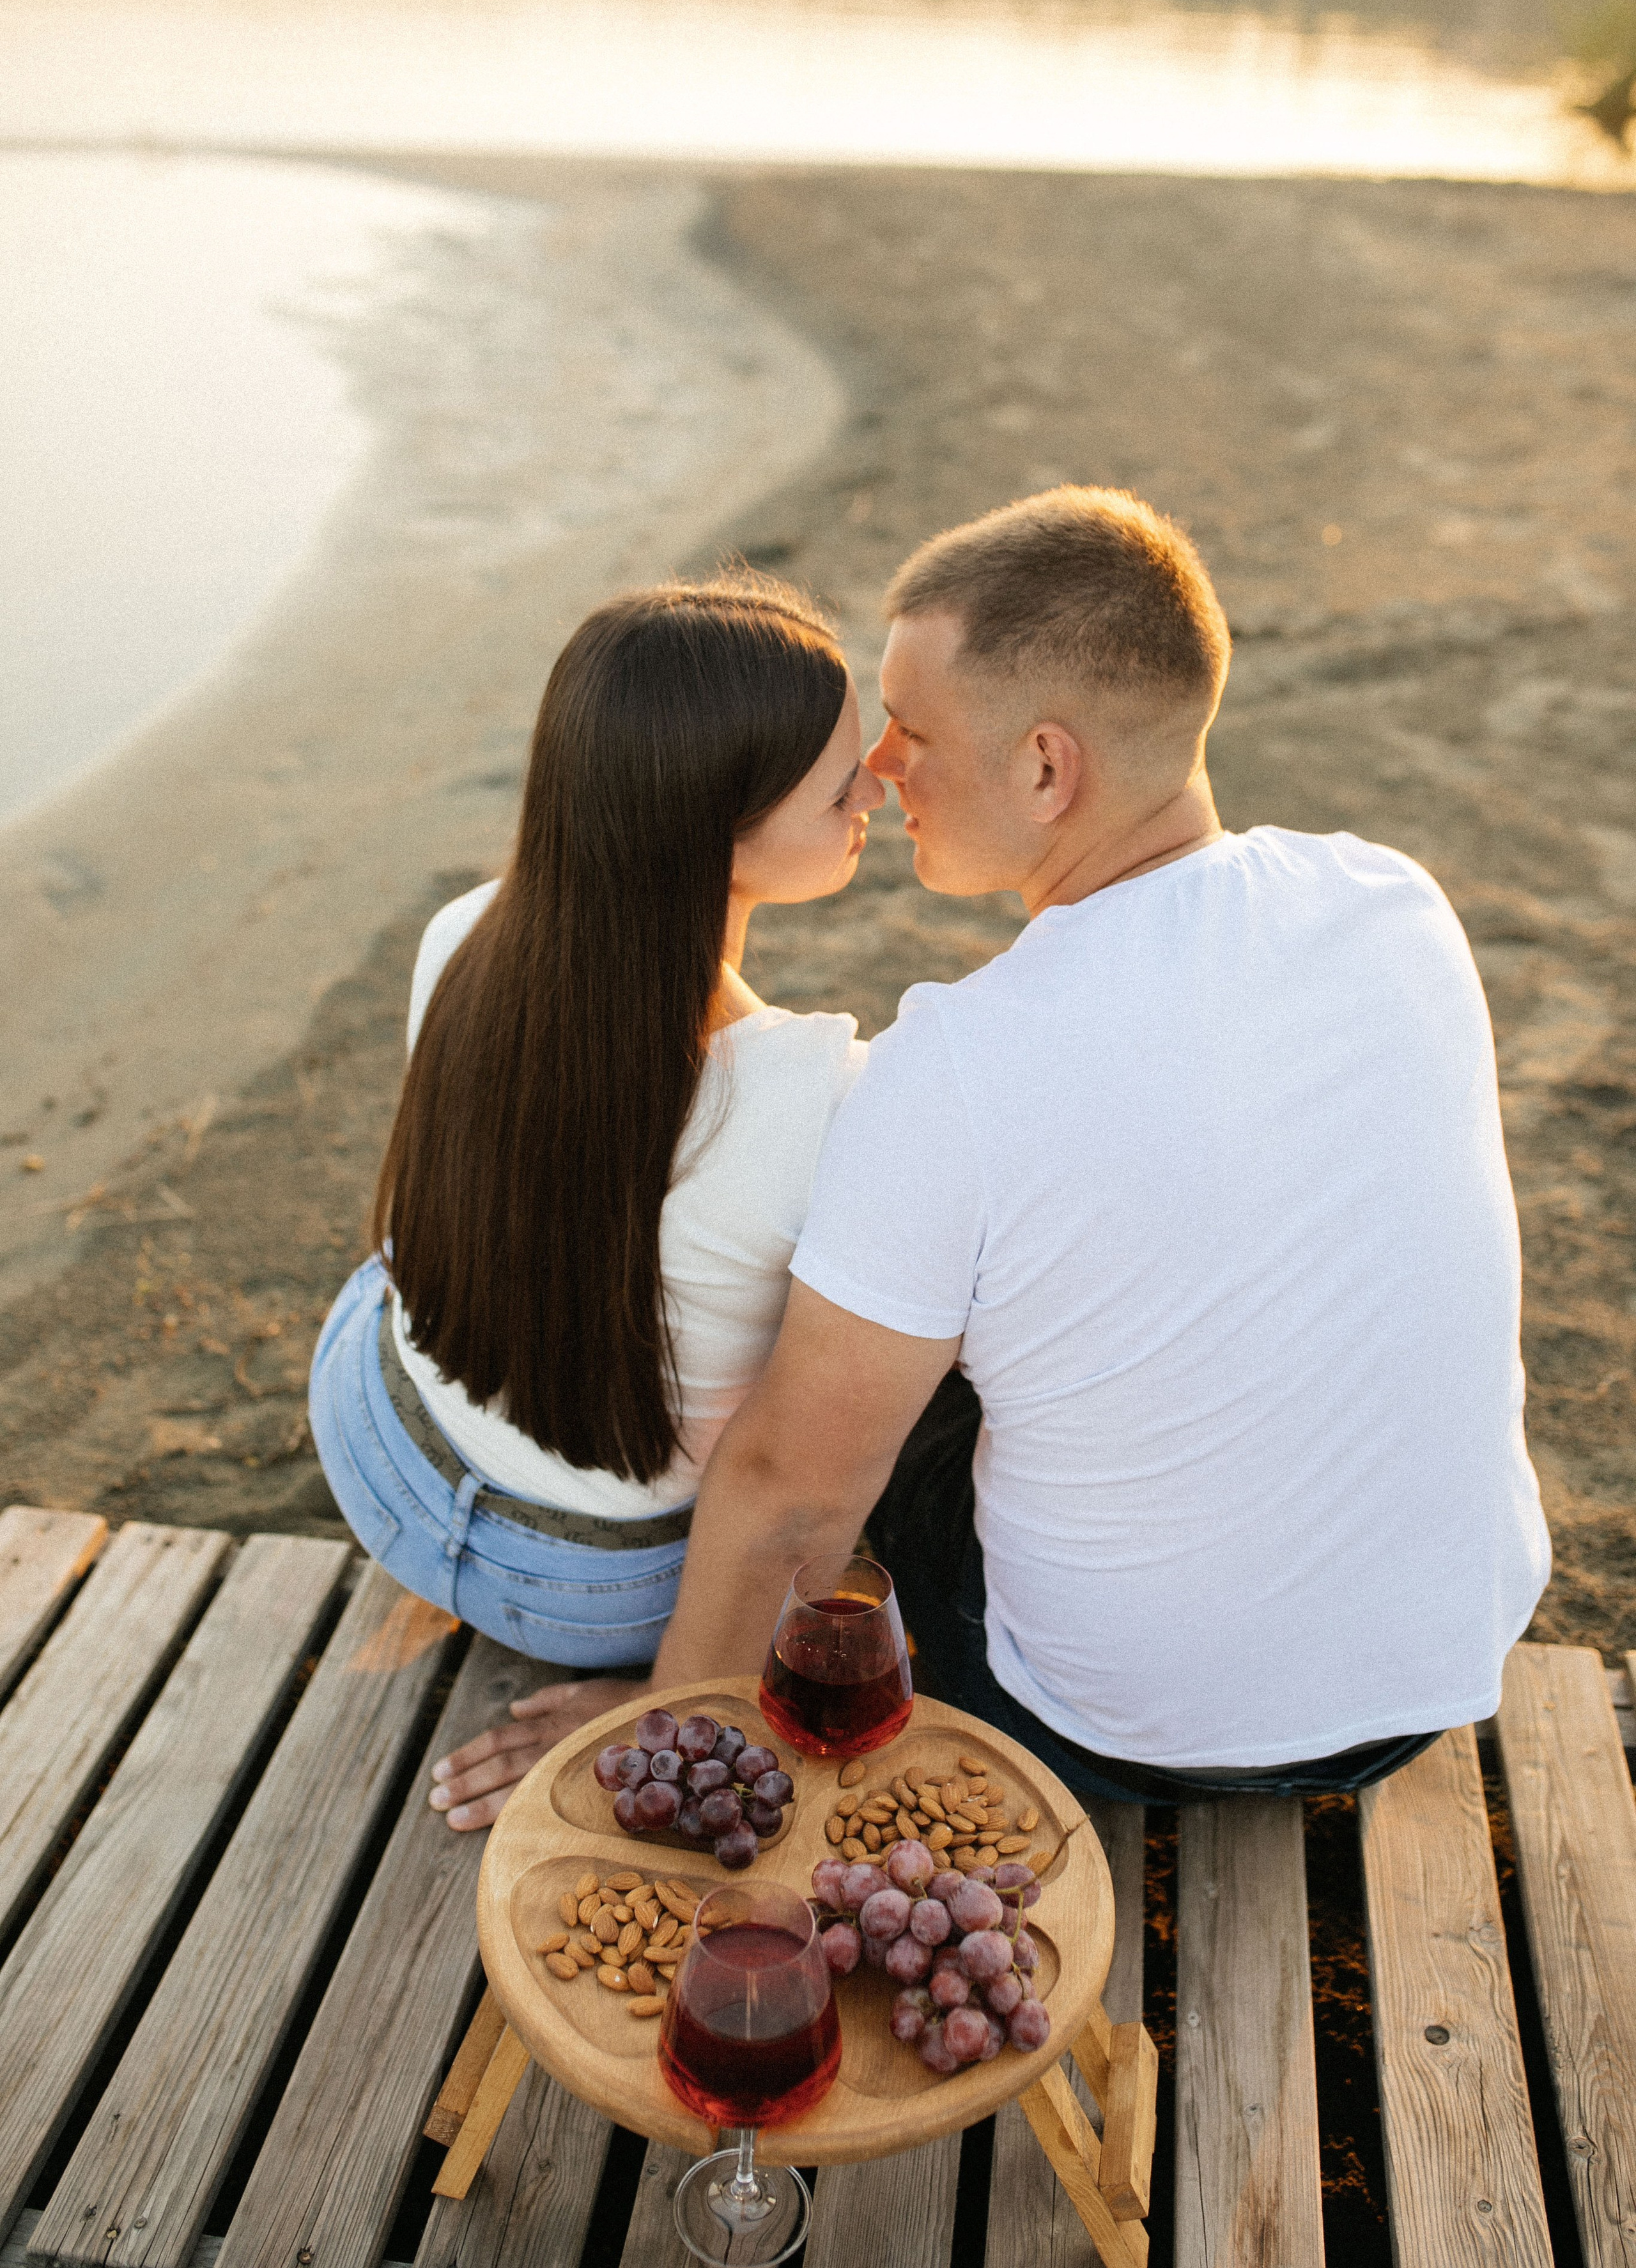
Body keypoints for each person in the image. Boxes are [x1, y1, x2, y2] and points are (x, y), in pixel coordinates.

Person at [431, 486, 1549, 1829]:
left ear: (1042, 768)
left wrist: (672, 1723)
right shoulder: (1395, 905)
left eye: (910, 728)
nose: (880, 767)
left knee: (875, 1394)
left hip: (1107, 1728)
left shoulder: (951, 1066)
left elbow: (793, 1493)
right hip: (1433, 1674)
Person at [309, 577, 883, 1709]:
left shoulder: (466, 932)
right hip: (591, 1593)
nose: (878, 789)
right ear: (716, 830)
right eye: (838, 787)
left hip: (376, 1443)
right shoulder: (815, 1099)